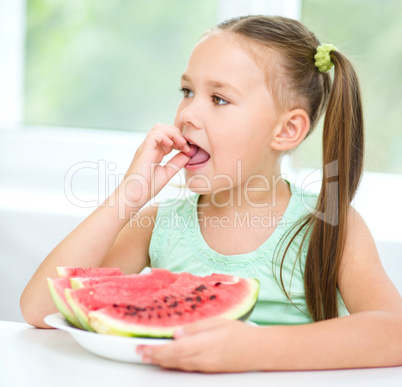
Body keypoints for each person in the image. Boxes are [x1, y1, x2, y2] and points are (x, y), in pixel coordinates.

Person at [20, 15, 402, 372]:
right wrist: (128, 197)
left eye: (219, 99)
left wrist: (253, 349)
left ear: (286, 131)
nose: (187, 114)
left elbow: (395, 333)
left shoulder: (329, 227)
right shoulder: (157, 224)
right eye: (187, 91)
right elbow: (40, 309)